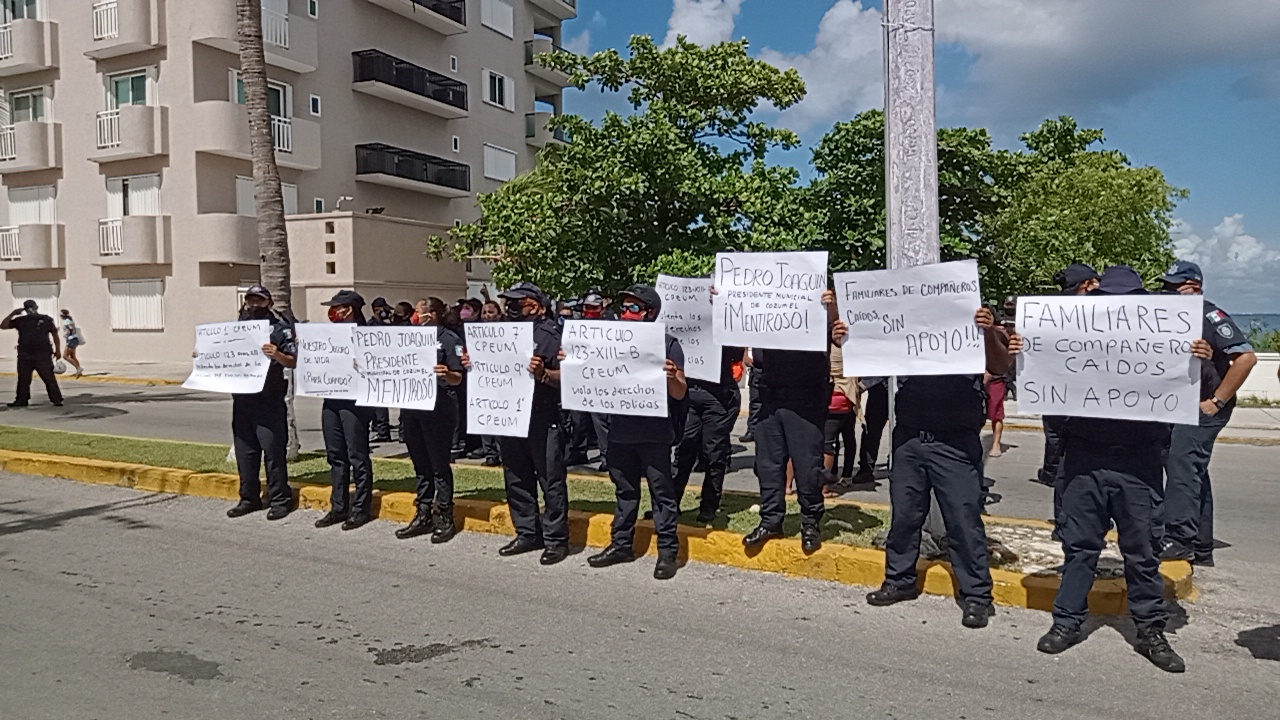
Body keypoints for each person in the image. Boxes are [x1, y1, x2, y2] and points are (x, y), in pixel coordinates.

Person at [1018, 265, 1205, 673]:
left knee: (1142, 552)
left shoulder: (1166, 338)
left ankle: (1151, 632)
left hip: (1138, 463)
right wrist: (1024, 350)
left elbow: (1194, 387)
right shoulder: (1074, 335)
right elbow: (1041, 376)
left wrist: (1196, 357)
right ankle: (1067, 622)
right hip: (1084, 457)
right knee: (1079, 547)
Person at [865, 306, 1011, 629]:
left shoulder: (975, 327)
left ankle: (976, 595)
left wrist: (986, 330)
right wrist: (848, 334)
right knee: (904, 516)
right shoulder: (909, 324)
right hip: (909, 438)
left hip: (955, 444)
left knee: (963, 520)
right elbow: (869, 350)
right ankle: (899, 580)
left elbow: (1001, 364)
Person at [1159, 260, 1257, 566]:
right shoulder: (1168, 315)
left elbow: (1246, 358)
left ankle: (1179, 538)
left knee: (1182, 466)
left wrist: (1216, 400)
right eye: (1167, 287)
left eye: (1175, 287)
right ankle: (1201, 547)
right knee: (1191, 472)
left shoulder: (1209, 315)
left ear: (1194, 287)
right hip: (1181, 403)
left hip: (1205, 404)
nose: (1169, 292)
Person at [587, 285, 689, 579]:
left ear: (650, 313)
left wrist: (672, 377)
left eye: (635, 309)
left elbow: (681, 393)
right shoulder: (609, 342)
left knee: (662, 496)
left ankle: (668, 552)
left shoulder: (669, 344)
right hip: (620, 432)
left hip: (655, 434)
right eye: (625, 309)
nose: (627, 314)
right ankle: (621, 545)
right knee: (625, 493)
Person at [741, 289, 847, 554]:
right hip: (770, 398)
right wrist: (722, 300)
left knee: (808, 468)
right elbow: (735, 323)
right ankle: (771, 520)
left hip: (806, 401)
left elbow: (839, 335)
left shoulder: (819, 312)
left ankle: (810, 523)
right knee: (767, 465)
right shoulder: (766, 309)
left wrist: (831, 307)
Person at [489, 282, 570, 565]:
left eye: (517, 302)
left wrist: (543, 373)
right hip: (509, 414)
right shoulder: (499, 333)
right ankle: (527, 532)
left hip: (542, 415)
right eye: (508, 303)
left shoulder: (551, 335)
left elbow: (567, 377)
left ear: (534, 305)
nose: (510, 307)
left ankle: (556, 540)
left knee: (550, 479)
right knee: (516, 476)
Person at [396, 297, 466, 543]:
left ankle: (445, 515)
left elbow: (458, 377)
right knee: (420, 464)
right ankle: (423, 511)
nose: (414, 315)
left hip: (438, 408)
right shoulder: (409, 337)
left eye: (418, 311)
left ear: (432, 314)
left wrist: (447, 373)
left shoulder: (449, 339)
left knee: (438, 465)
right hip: (412, 407)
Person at [223, 286, 295, 520]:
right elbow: (222, 354)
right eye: (250, 300)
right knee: (246, 453)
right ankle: (249, 498)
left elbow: (292, 361)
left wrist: (277, 354)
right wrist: (204, 355)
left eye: (259, 300)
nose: (254, 304)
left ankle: (279, 500)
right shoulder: (236, 329)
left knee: (273, 452)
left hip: (269, 400)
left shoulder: (279, 329)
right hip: (243, 401)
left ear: (269, 302)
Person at [312, 290, 378, 531]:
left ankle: (361, 509)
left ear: (348, 309)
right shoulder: (328, 333)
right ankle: (338, 507)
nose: (332, 312)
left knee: (357, 456)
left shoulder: (369, 333)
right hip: (332, 399)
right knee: (336, 456)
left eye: (336, 308)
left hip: (356, 402)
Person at [1036, 264, 1100, 489]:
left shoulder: (1047, 312)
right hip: (1081, 389)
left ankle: (1053, 473)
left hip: (1052, 387)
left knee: (1054, 434)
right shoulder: (1098, 313)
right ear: (1087, 284)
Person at [673, 344, 743, 522]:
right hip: (690, 392)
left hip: (719, 395)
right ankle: (671, 503)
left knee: (713, 452)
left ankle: (709, 505)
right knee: (684, 449)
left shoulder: (726, 323)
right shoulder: (688, 320)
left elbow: (736, 353)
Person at [3, 300, 63, 408]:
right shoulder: (21, 320)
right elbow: (3, 325)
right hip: (25, 354)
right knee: (24, 379)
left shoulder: (46, 319)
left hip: (42, 354)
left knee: (48, 377)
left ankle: (56, 399)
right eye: (28, 307)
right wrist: (13, 314)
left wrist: (58, 350)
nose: (31, 309)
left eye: (31, 307)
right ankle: (22, 400)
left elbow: (54, 334)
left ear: (36, 307)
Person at [468, 300, 505, 467]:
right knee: (485, 418)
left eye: (491, 312)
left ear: (499, 314)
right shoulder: (474, 333)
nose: (487, 316)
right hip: (482, 382)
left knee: (500, 420)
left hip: (502, 383)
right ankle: (490, 452)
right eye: (484, 313)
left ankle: (503, 452)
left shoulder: (508, 332)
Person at [822, 341, 860, 494]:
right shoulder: (849, 348)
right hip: (847, 399)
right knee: (849, 438)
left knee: (828, 444)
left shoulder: (826, 349)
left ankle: (825, 483)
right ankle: (847, 475)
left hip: (831, 401)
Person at [985, 313, 1012, 458]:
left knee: (996, 414)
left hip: (995, 379)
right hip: (975, 380)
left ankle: (996, 444)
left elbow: (1005, 357)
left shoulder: (999, 333)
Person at [853, 378, 888, 484]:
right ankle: (866, 469)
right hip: (880, 389)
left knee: (872, 430)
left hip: (899, 386)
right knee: (871, 429)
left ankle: (867, 469)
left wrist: (863, 384)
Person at [740, 349, 762, 443]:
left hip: (774, 365)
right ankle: (752, 431)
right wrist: (745, 355)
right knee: (755, 401)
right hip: (757, 367)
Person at [59, 309, 85, 378]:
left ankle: (79, 368)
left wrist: (67, 336)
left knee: (65, 356)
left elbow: (71, 329)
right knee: (73, 356)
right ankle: (78, 370)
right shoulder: (69, 320)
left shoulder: (67, 321)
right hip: (73, 339)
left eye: (61, 314)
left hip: (71, 340)